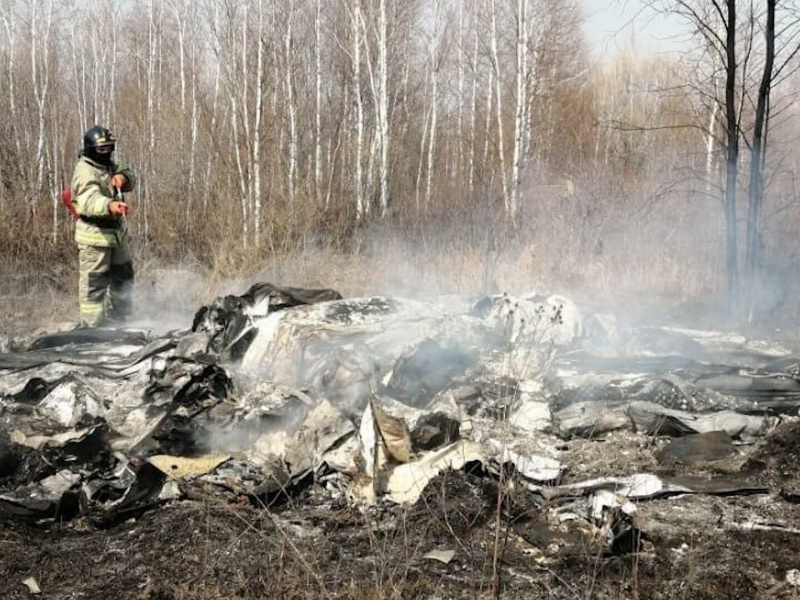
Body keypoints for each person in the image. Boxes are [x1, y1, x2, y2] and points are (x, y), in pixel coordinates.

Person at [71, 125, 136, 327]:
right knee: (95, 285)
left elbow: (127, 174)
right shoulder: (85, 170)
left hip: (114, 235)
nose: (106, 152)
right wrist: (109, 206)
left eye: (110, 147)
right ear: (91, 148)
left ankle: (121, 321)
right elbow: (88, 199)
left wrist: (123, 177)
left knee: (123, 277)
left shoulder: (107, 165)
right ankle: (92, 329)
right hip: (95, 237)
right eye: (102, 149)